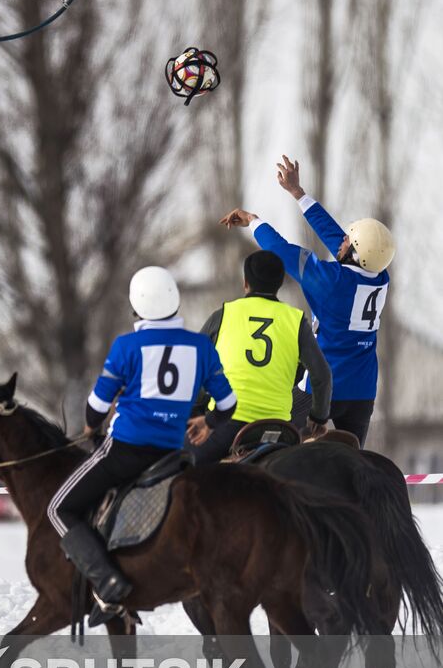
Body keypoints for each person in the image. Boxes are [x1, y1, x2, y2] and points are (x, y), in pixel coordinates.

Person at [48, 265, 237, 624]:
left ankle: (106, 583)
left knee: (59, 508)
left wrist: (90, 428)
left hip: (125, 450)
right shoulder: (200, 346)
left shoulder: (126, 346)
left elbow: (97, 407)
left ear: (136, 306)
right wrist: (208, 423)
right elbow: (228, 405)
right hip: (173, 454)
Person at [221, 156, 396, 447]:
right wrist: (298, 194)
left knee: (274, 448)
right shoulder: (380, 276)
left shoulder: (330, 280)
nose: (341, 241)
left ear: (353, 253)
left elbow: (281, 249)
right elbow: (340, 240)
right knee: (352, 467)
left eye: (347, 241)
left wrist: (253, 221)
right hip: (362, 390)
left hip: (324, 387)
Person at [186, 250, 331, 462]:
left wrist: (197, 410)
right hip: (281, 428)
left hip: (228, 424)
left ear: (246, 283)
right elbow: (322, 375)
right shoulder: (296, 320)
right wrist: (319, 417)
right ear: (279, 283)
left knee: (180, 463)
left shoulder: (223, 314)